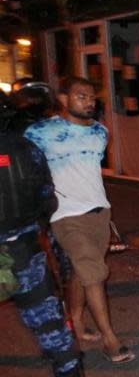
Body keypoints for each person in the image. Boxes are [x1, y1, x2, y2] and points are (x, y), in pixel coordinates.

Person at [24, 76, 136, 364]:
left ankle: (74, 320)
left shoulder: (100, 132)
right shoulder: (39, 132)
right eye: (81, 96)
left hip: (100, 211)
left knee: (80, 272)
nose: (89, 101)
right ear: (63, 99)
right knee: (94, 273)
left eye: (91, 96)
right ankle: (110, 340)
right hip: (65, 215)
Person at [0, 89, 83, 377]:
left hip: (22, 245)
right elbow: (47, 197)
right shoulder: (26, 148)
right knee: (49, 325)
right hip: (23, 248)